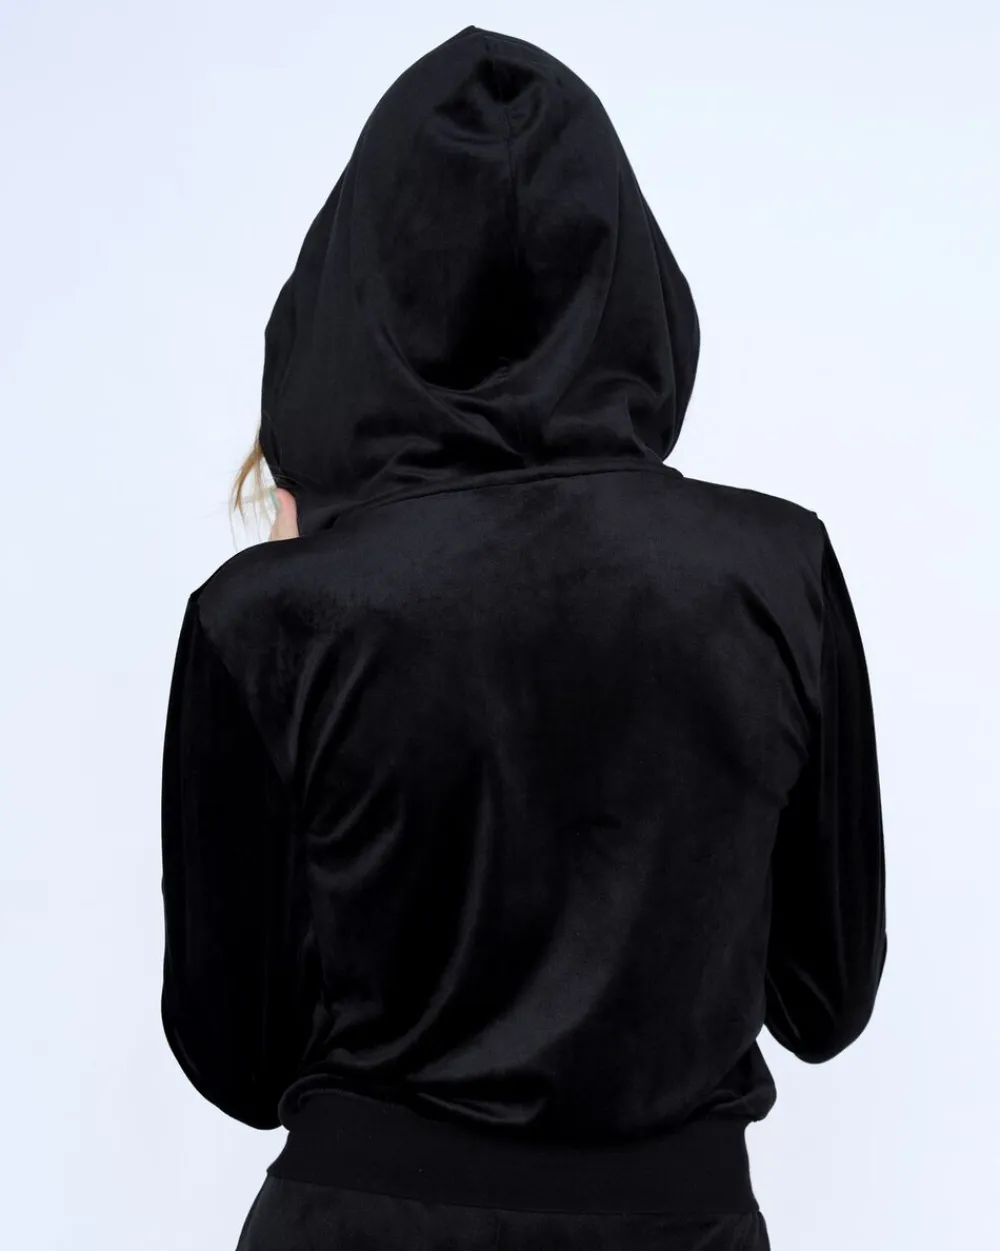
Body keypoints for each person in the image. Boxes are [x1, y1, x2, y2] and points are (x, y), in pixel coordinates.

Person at [159, 24, 887, 1251]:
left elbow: (239, 1055)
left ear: (357, 288)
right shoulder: (779, 572)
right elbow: (825, 998)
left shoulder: (265, 617)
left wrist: (309, 560)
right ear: (628, 279)